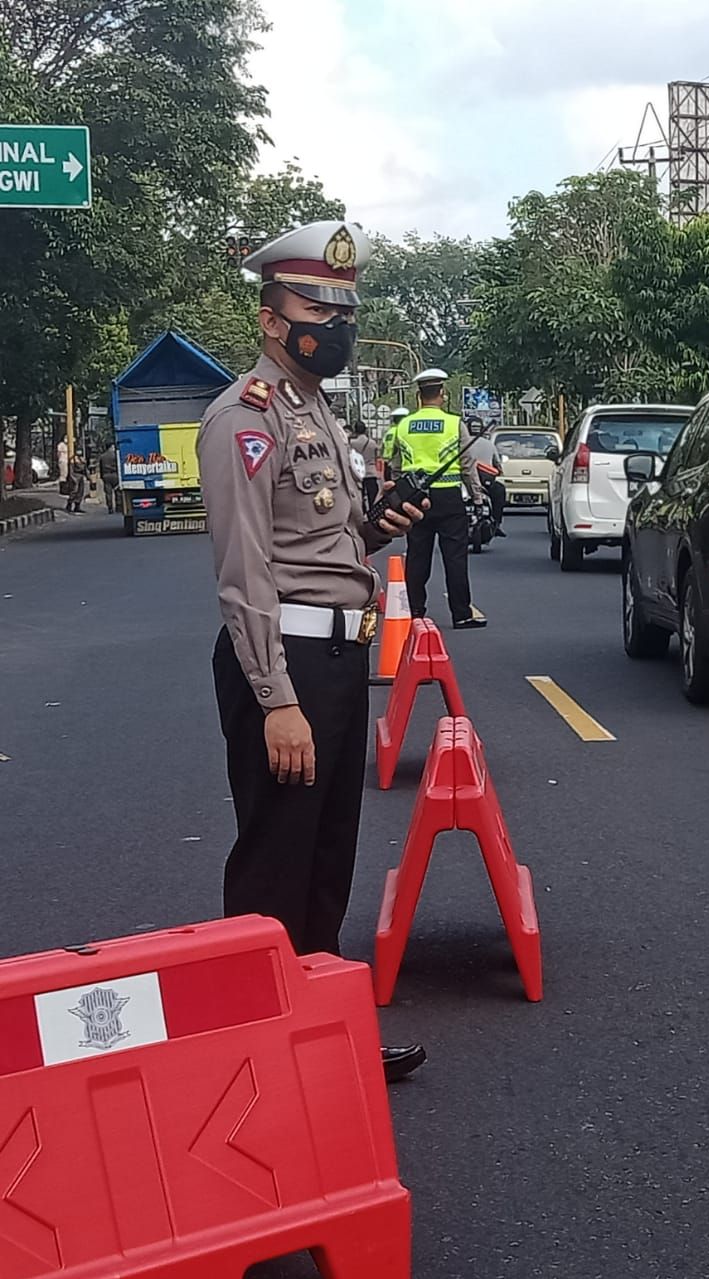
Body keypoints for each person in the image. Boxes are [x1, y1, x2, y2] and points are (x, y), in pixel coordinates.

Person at [196, 220, 427, 1085]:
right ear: (268, 318)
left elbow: (317, 547)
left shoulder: (316, 412)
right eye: (313, 307)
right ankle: (253, 1052)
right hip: (283, 666)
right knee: (275, 860)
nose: (333, 323)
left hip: (336, 660)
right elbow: (246, 571)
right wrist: (275, 698)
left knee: (329, 859)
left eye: (344, 309)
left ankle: (322, 1037)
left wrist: (375, 528)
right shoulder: (242, 420)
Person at [385, 369, 488, 629]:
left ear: (419, 396)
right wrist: (477, 498)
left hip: (416, 499)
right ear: (442, 394)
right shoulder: (455, 424)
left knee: (418, 556)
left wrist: (400, 496)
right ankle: (462, 614)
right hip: (449, 498)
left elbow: (396, 467)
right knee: (455, 557)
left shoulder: (404, 426)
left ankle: (415, 612)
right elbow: (467, 466)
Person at [465, 417, 506, 537]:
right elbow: (498, 465)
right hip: (485, 482)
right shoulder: (489, 445)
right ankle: (497, 523)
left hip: (465, 481)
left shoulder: (460, 443)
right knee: (500, 491)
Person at [346, 418, 380, 514]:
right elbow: (377, 456)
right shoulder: (372, 443)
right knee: (372, 495)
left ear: (355, 430)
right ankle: (373, 512)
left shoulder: (352, 443)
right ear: (365, 430)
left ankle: (363, 512)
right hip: (371, 472)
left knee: (359, 495)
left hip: (357, 474)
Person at [98, 441, 119, 514]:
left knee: (108, 493)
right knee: (117, 491)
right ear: (111, 447)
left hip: (106, 475)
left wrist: (101, 477)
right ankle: (118, 506)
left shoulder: (102, 456)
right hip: (115, 475)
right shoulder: (116, 455)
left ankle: (110, 508)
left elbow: (100, 467)